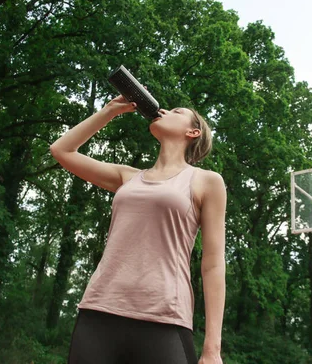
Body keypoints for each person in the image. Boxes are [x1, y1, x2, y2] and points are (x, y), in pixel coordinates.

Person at [50, 94, 227, 364]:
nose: (165, 110)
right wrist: (109, 111)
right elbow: (62, 150)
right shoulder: (127, 177)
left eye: (177, 111)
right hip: (100, 311)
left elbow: (213, 264)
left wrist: (212, 348)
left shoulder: (207, 181)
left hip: (164, 316)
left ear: (193, 131)